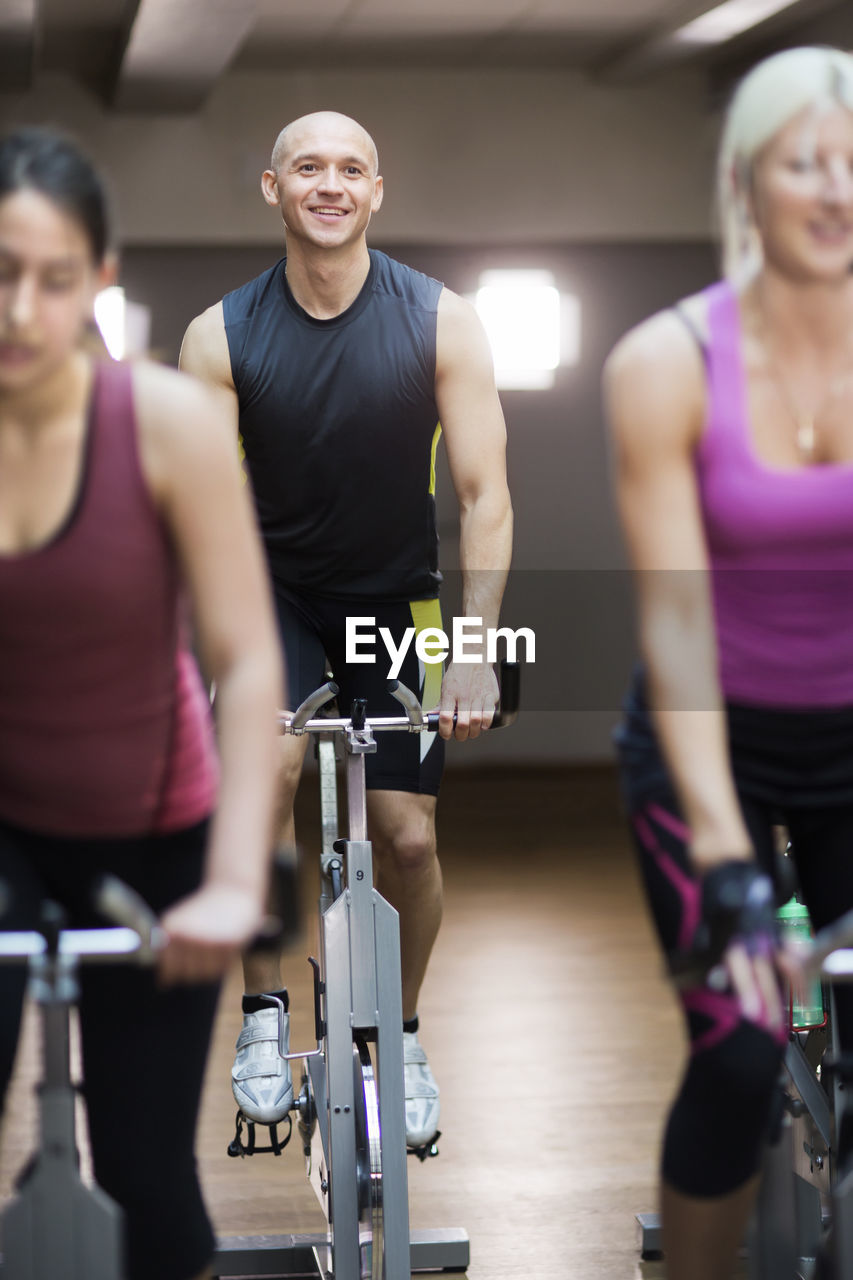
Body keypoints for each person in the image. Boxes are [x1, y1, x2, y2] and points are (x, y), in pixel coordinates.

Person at [180, 110, 513, 1148]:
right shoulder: (219, 335)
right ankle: (263, 1015)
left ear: (379, 191)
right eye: (309, 167)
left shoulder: (441, 319)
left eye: (352, 169)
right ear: (273, 188)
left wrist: (472, 649)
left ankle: (402, 1032)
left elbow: (485, 495)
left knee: (408, 835)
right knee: (270, 776)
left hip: (394, 599)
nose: (331, 184)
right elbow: (191, 506)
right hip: (267, 592)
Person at [0, 127, 283, 1280]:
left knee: (148, 1180)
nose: (21, 309)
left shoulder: (163, 424)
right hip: (8, 819)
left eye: (54, 278)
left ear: (101, 279)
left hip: (156, 832)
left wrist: (231, 879)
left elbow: (250, 655)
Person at [604, 44, 853, 1280]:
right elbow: (679, 618)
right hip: (708, 736)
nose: (833, 190)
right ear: (744, 182)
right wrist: (724, 854)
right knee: (742, 1045)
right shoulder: (665, 362)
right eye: (804, 162)